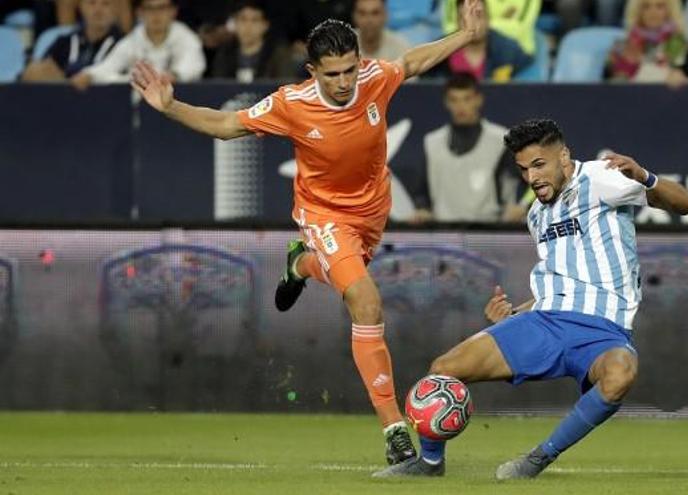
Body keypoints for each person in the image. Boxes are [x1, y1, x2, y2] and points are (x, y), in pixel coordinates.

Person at [130, 1, 488, 466]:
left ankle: (300, 264)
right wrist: (171, 106)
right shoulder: (290, 104)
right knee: (366, 300)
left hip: (373, 213)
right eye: (332, 74)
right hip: (324, 214)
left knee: (349, 284)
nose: (344, 83)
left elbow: (413, 61)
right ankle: (394, 430)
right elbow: (224, 125)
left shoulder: (374, 79)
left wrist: (464, 36)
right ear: (312, 70)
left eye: (349, 71)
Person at [372, 118, 688, 478]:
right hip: (545, 322)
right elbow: (561, 281)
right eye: (524, 170)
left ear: (564, 156)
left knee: (620, 375)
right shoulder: (537, 214)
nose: (532, 178)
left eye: (539, 165)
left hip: (603, 333)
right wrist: (514, 313)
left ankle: (537, 459)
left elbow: (686, 204)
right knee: (444, 371)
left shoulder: (602, 179)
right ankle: (430, 462)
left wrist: (645, 177)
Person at [411, 72, 521, 224]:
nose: (460, 106)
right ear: (446, 102)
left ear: (478, 100)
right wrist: (422, 209)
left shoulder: (501, 139)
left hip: (489, 231)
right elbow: (422, 193)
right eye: (454, 100)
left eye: (467, 99)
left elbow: (520, 182)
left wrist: (518, 207)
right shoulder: (431, 142)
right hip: (443, 233)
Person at [73, 0, 204, 89]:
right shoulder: (132, 40)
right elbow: (109, 66)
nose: (156, 14)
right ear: (140, 13)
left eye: (162, 8)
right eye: (150, 9)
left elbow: (193, 65)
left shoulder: (186, 37)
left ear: (173, 11)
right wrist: (89, 74)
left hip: (181, 102)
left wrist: (175, 75)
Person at [427, 0, 533, 82]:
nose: (473, 24)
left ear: (488, 19)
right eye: (466, 18)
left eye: (479, 16)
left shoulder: (509, 51)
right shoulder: (438, 52)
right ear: (457, 21)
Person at [21, 0, 121, 82]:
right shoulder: (64, 42)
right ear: (81, 6)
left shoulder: (122, 44)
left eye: (106, 3)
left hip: (103, 99)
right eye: (92, 2)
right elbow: (42, 70)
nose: (98, 10)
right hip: (62, 99)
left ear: (115, 9)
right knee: (34, 70)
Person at [209, 0, 295, 82]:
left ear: (265, 25)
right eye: (243, 19)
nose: (248, 26)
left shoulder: (278, 54)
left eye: (254, 20)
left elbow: (286, 87)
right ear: (235, 23)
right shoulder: (225, 52)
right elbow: (218, 86)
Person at [606, 0, 688, 82]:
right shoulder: (622, 45)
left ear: (669, 10)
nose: (653, 12)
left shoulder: (679, 42)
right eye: (646, 6)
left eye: (659, 6)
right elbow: (609, 84)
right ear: (638, 11)